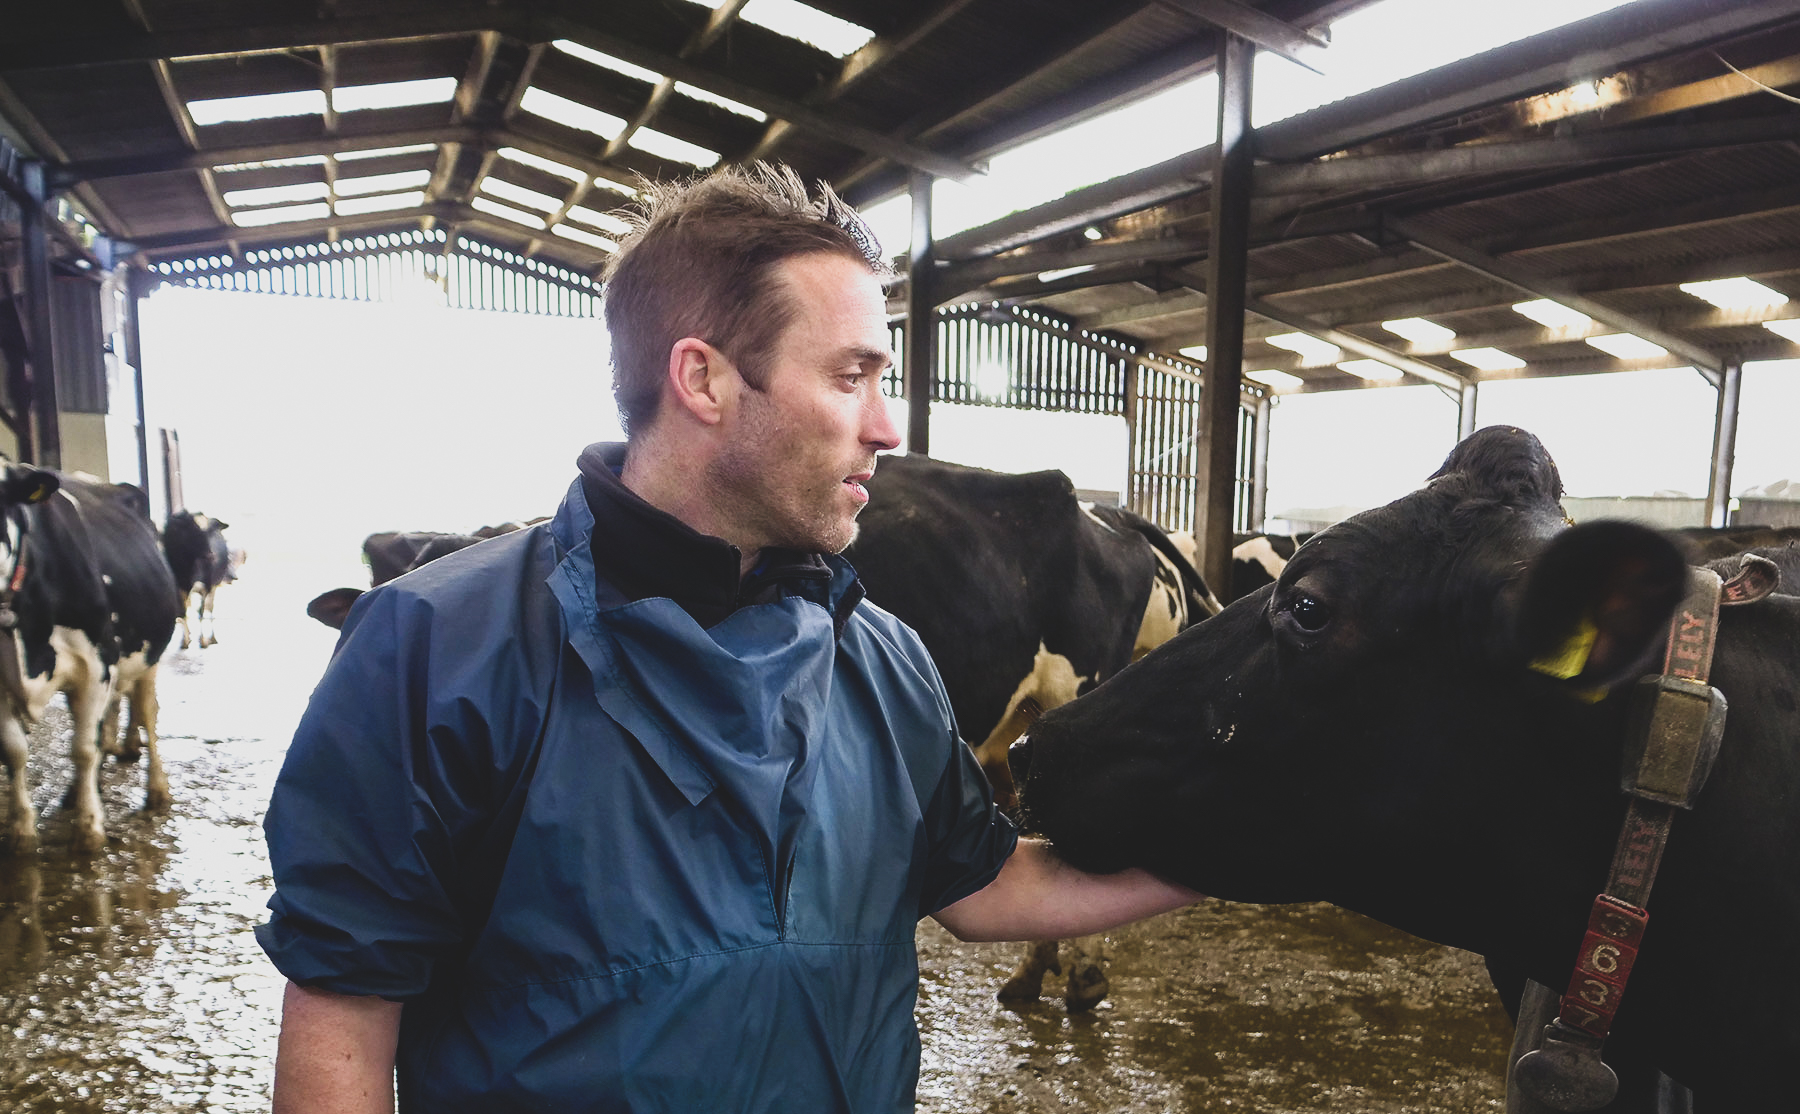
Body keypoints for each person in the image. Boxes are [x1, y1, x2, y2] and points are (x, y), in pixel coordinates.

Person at [257, 162, 1201, 1113]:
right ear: (702, 377)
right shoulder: (434, 648)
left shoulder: (880, 658)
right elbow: (342, 1017)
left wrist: (1244, 839)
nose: (884, 426)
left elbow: (988, 885)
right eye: (850, 377)